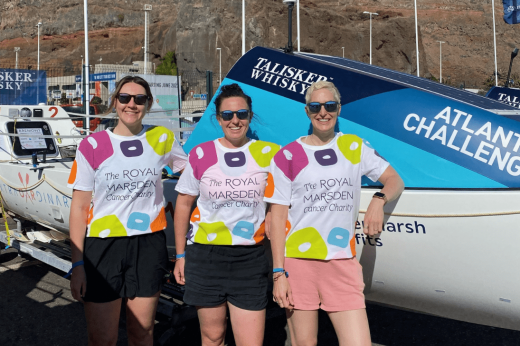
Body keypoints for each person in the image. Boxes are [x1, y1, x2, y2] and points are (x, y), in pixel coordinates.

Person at [266, 81, 404, 346]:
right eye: (315, 107)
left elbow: (395, 180)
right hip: (298, 263)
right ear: (307, 111)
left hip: (342, 261)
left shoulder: (354, 147)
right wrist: (278, 274)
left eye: (329, 106)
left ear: (338, 109)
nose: (323, 112)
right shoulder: (287, 156)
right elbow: (279, 218)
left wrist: (379, 198)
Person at [68, 75, 188, 346]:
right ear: (115, 102)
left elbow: (193, 173)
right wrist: (77, 264)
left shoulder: (163, 138)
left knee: (142, 332)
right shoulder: (92, 145)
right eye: (125, 98)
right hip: (103, 246)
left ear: (148, 104)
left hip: (148, 244)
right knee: (103, 339)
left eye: (139, 99)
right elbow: (78, 207)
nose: (131, 104)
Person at [173, 83, 280, 346]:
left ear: (250, 117)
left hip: (250, 258)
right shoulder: (201, 153)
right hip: (205, 257)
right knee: (213, 336)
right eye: (228, 115)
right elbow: (184, 205)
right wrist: (179, 255)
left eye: (241, 114)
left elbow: (279, 205)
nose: (235, 120)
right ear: (218, 118)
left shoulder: (268, 154)